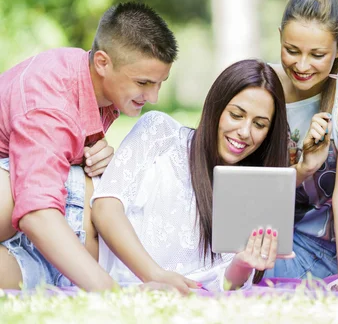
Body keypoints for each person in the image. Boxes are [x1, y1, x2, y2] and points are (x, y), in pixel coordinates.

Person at [0, 2, 177, 291]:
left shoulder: (96, 87)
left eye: (160, 83)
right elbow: (37, 212)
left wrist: (90, 151)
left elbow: (56, 146)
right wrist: (112, 295)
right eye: (144, 82)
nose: (154, 96)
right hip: (25, 208)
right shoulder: (48, 101)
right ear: (103, 63)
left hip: (48, 245)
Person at [90, 59, 291, 293]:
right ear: (217, 107)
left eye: (259, 124)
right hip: (84, 255)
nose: (245, 132)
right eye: (236, 115)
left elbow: (225, 282)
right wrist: (154, 275)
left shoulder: (250, 190)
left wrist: (244, 262)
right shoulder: (160, 133)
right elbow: (105, 206)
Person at [266, 0, 338, 289]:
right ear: (280, 36)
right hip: (263, 232)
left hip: (317, 248)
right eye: (291, 50)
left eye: (317, 54)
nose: (301, 65)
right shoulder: (266, 82)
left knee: (244, 270)